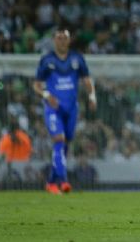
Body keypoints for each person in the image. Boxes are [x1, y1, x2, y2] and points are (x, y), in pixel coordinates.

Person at [33, 27, 97, 194]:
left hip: (71, 108)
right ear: (54, 40)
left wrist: (92, 97)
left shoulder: (77, 58)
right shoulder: (47, 60)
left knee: (66, 143)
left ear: (69, 40)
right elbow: (37, 85)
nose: (61, 41)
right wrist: (47, 95)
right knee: (59, 140)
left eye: (64, 38)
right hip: (53, 108)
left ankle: (51, 182)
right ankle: (63, 180)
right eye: (59, 38)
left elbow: (87, 79)